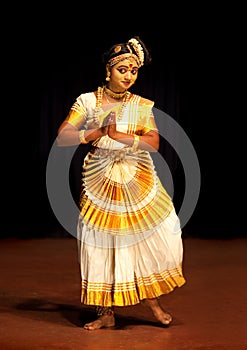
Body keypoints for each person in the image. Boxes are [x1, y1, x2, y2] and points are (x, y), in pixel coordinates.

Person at [56, 36, 186, 330]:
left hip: (136, 176)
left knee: (146, 237)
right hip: (100, 179)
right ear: (108, 70)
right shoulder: (87, 102)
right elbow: (63, 137)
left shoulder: (140, 105)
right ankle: (105, 313)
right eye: (122, 70)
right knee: (101, 243)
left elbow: (153, 142)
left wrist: (121, 137)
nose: (128, 76)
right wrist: (95, 132)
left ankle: (153, 303)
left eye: (133, 71)